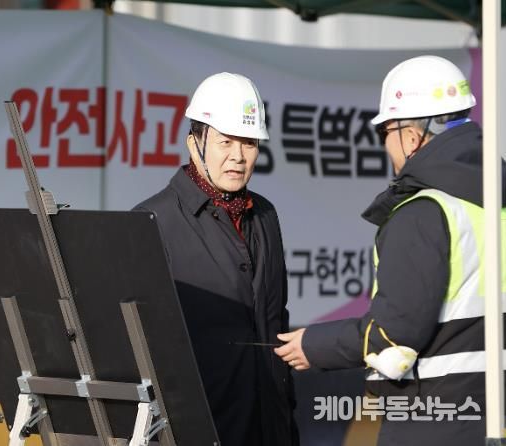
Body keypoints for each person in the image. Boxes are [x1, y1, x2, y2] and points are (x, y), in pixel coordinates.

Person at [274, 55, 506, 445]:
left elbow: (393, 335)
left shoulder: (423, 214)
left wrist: (313, 345)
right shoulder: (496, 202)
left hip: (434, 421)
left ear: (411, 136)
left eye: (385, 132)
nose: (385, 145)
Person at [135, 72, 299, 445]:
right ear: (194, 144)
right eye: (225, 141)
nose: (238, 156)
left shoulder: (265, 216)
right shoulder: (153, 221)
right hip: (197, 431)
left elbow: (276, 321)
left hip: (269, 428)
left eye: (249, 143)